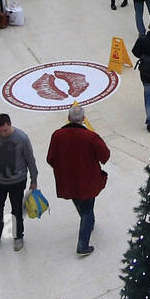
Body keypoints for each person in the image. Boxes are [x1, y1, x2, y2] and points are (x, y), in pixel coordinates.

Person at [46, 104, 111, 256]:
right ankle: (83, 245)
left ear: (68, 118)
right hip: (88, 180)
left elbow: (50, 159)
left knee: (80, 203)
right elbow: (105, 156)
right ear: (83, 119)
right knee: (88, 208)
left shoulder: (57, 135)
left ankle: (88, 223)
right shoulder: (91, 137)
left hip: (67, 180)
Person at [0, 113, 38, 252]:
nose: (3, 133)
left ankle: (18, 237)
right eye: (0, 130)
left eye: (5, 130)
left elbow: (30, 159)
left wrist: (34, 179)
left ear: (10, 124)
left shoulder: (22, 138)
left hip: (17, 181)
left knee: (17, 211)